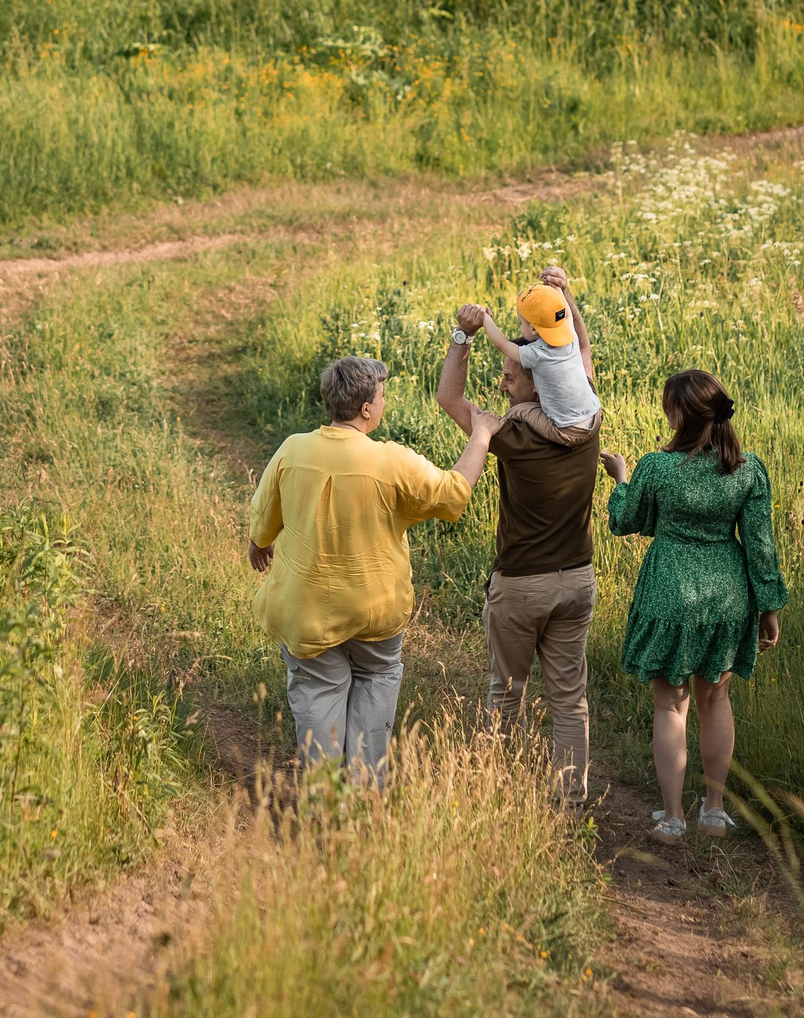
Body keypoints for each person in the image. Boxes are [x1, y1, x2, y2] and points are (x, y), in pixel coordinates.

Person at [249, 354, 494, 782]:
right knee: (377, 680)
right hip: (375, 611)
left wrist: (258, 544)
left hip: (306, 613)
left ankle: (324, 803)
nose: (383, 403)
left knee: (317, 693)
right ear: (366, 409)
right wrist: (482, 435)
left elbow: (264, 517)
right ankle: (365, 799)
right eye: (382, 396)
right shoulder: (390, 461)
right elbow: (453, 494)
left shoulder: (293, 449)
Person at [438, 266, 606, 802]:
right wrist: (564, 297)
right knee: (569, 700)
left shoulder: (507, 433)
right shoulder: (588, 423)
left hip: (520, 585)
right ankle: (571, 802)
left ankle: (495, 789)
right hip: (577, 580)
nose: (504, 381)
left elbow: (450, 399)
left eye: (512, 374)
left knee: (506, 693)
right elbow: (578, 357)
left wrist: (464, 337)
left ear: (535, 380)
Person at [602, 368, 787, 842]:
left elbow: (625, 521)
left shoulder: (657, 467)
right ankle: (714, 811)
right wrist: (769, 606)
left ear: (680, 414)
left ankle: (672, 817)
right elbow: (761, 545)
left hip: (670, 592)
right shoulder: (748, 471)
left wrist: (620, 478)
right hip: (728, 596)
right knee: (715, 699)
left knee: (671, 707)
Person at [458, 266, 600, 452]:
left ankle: (493, 428)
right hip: (594, 416)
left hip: (567, 431)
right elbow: (565, 310)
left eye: (521, 323)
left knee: (518, 411)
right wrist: (557, 288)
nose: (520, 327)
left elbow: (502, 344)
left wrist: (485, 320)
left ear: (533, 329)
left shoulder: (537, 354)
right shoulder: (571, 336)